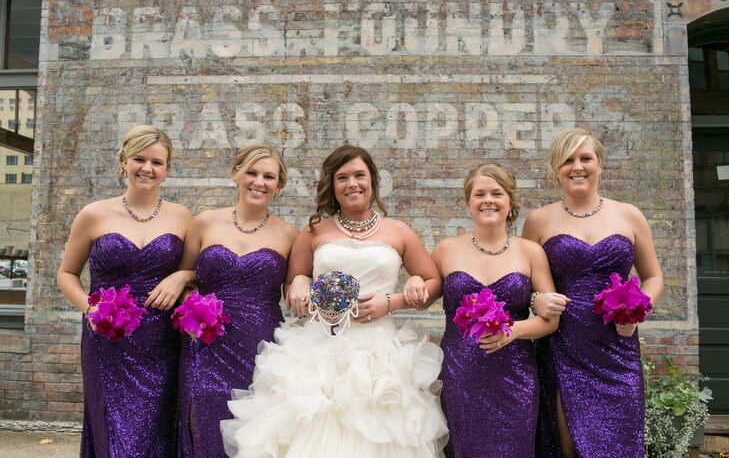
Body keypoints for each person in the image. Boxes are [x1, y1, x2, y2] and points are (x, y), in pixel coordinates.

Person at [221, 144, 448, 458]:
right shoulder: (314, 231)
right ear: (333, 185)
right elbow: (294, 280)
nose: (352, 183)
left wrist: (395, 298)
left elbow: (433, 282)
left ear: (372, 181)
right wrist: (299, 286)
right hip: (319, 349)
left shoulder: (399, 232)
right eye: (343, 177)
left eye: (359, 175)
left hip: (378, 352)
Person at [522, 128, 664, 458]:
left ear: (600, 164)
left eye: (586, 158)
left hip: (617, 347)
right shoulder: (538, 221)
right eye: (568, 160)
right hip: (563, 346)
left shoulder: (629, 215)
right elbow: (527, 283)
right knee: (568, 444)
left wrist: (638, 310)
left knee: (619, 443)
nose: (578, 167)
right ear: (556, 169)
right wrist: (535, 300)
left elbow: (653, 276)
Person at [57, 125, 192, 457]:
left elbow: (195, 276)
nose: (147, 168)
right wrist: (90, 309)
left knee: (156, 431)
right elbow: (66, 274)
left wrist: (182, 276)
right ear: (124, 162)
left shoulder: (183, 217)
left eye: (157, 162)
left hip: (162, 343)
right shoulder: (93, 214)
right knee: (113, 432)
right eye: (139, 159)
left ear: (167, 169)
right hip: (108, 343)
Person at [176, 145, 298, 457]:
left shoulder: (290, 235)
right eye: (252, 173)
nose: (259, 181)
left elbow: (295, 289)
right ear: (236, 176)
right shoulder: (204, 223)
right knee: (203, 426)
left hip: (259, 348)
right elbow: (186, 278)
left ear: (278, 186)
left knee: (252, 434)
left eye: (269, 176)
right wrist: (191, 309)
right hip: (206, 344)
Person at [433, 163, 559, 458]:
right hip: (461, 374)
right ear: (468, 202)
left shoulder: (530, 252)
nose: (488, 200)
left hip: (515, 376)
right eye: (479, 194)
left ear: (510, 201)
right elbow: (423, 287)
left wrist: (513, 330)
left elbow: (550, 321)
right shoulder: (446, 250)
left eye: (496, 193)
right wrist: (412, 281)